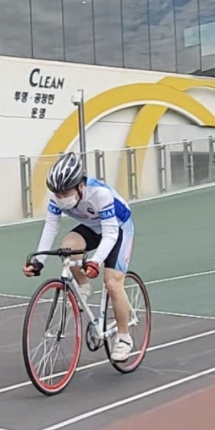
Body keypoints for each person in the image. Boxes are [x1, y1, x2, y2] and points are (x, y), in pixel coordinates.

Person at [23, 151, 135, 362]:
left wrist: (95, 261)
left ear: (80, 186)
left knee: (112, 283)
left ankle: (124, 337)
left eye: (65, 192)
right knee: (67, 248)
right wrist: (38, 262)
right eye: (57, 193)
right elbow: (51, 227)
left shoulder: (100, 194)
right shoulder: (56, 198)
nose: (61, 197)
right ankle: (83, 286)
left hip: (118, 229)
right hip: (92, 227)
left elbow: (110, 234)